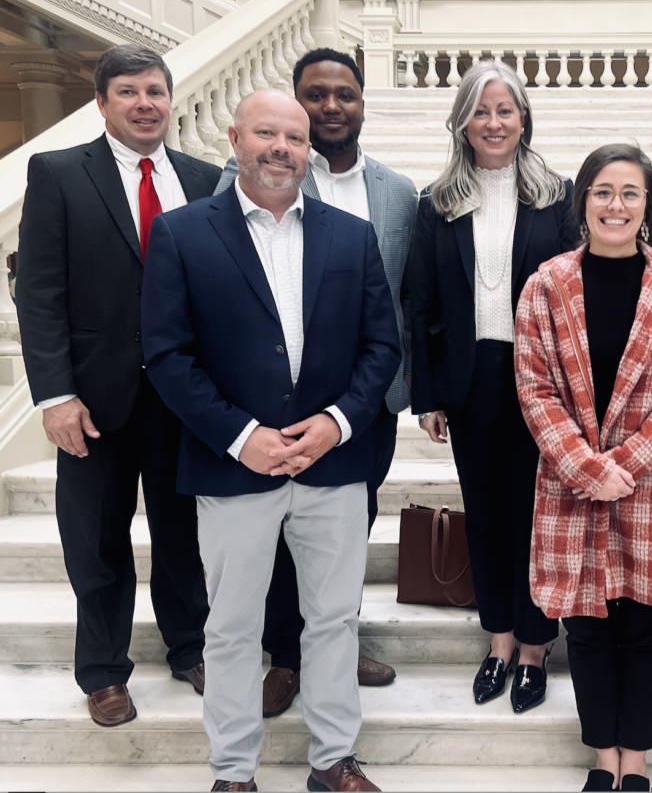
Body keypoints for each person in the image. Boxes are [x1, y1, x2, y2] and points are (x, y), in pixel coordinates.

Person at [142, 89, 399, 793]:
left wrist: (337, 421)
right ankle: (233, 772)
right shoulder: (182, 233)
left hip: (334, 463)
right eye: (266, 134)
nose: (281, 148)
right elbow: (167, 355)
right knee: (229, 628)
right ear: (234, 138)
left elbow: (382, 346)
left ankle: (332, 760)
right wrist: (239, 435)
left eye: (294, 136)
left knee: (332, 622)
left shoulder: (351, 235)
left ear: (309, 148)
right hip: (234, 470)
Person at [16, 44, 217, 727]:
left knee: (183, 533)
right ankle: (103, 671)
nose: (144, 103)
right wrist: (54, 394)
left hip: (184, 400)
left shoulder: (205, 177)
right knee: (96, 539)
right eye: (128, 91)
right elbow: (38, 292)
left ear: (171, 99)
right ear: (101, 102)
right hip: (94, 403)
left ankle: (190, 646)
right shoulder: (60, 174)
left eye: (155, 90)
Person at [215, 48, 416, 711]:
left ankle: (335, 637)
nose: (332, 105)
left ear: (362, 103)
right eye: (316, 95)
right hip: (270, 403)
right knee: (271, 529)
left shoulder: (397, 192)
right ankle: (285, 654)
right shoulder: (244, 180)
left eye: (345, 94)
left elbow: (403, 297)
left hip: (363, 403)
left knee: (347, 524)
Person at [515, 144, 652, 792]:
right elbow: (536, 388)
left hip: (650, 484)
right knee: (588, 626)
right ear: (583, 201)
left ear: (646, 207)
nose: (616, 205)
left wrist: (622, 463)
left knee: (650, 626)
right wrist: (585, 466)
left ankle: (638, 757)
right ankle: (603, 755)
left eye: (630, 192)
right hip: (572, 485)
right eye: (603, 191)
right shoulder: (546, 284)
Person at [409, 59, 577, 713]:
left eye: (505, 110)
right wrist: (427, 393)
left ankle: (536, 647)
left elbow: (573, 297)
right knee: (485, 513)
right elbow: (420, 302)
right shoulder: (437, 202)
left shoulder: (557, 196)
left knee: (534, 515)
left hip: (538, 377)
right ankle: (500, 641)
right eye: (481, 110)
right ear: (463, 122)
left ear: (523, 119)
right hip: (469, 376)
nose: (494, 122)